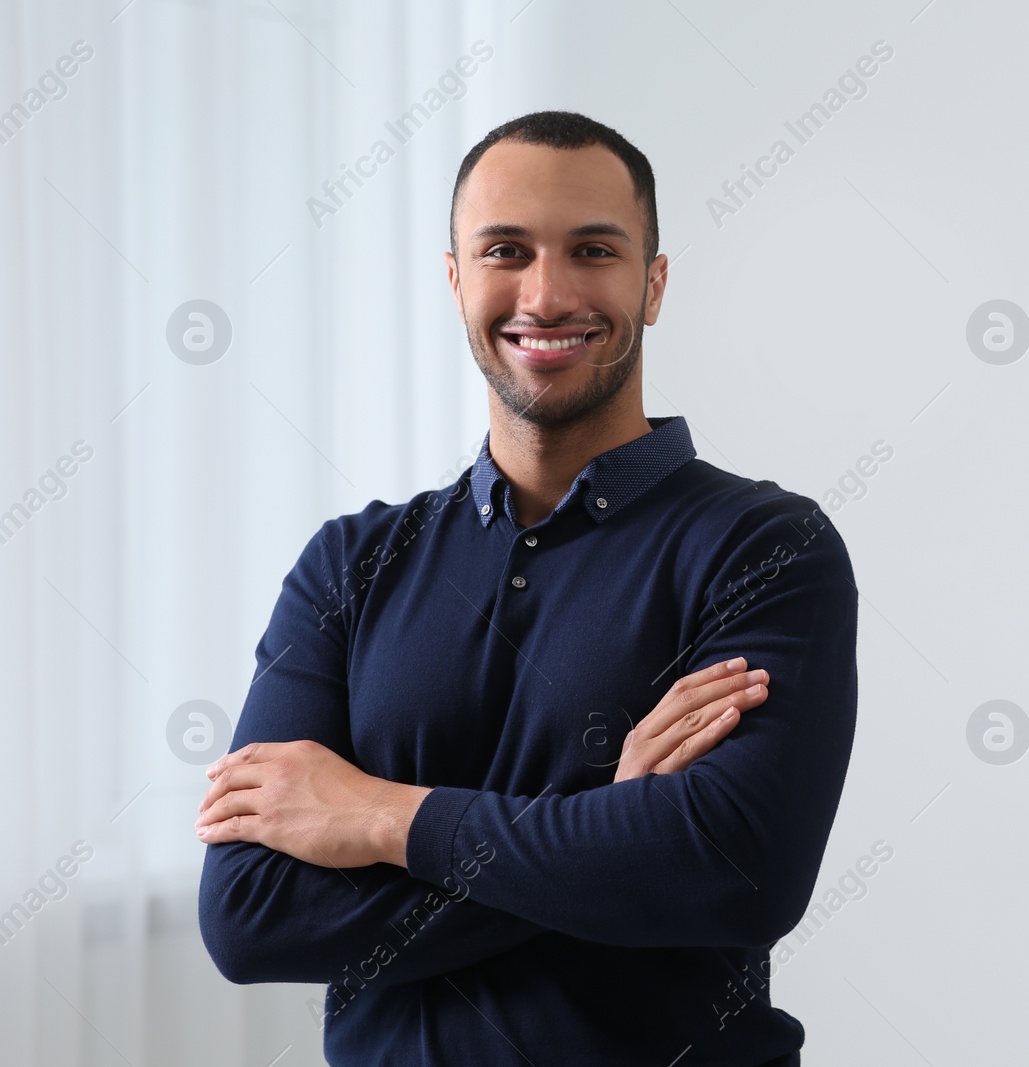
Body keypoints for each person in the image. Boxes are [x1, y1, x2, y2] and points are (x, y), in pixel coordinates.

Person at [194, 110, 858, 1067]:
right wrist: (604, 831)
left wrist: (378, 814)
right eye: (506, 250)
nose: (547, 293)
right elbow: (252, 917)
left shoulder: (765, 546)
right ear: (456, 279)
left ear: (654, 283)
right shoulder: (350, 564)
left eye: (594, 250)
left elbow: (735, 871)